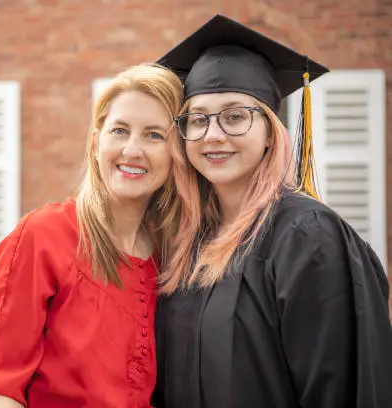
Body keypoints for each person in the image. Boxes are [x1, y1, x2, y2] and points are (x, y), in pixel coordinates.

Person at [152, 14, 392, 408]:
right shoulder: (185, 244)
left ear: (269, 132)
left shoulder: (307, 235)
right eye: (198, 120)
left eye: (235, 116)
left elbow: (341, 389)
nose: (213, 135)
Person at [0, 63, 184, 408]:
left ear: (177, 155)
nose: (132, 149)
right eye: (119, 130)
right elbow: (0, 388)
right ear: (97, 142)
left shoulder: (172, 255)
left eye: (154, 135)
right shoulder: (44, 236)